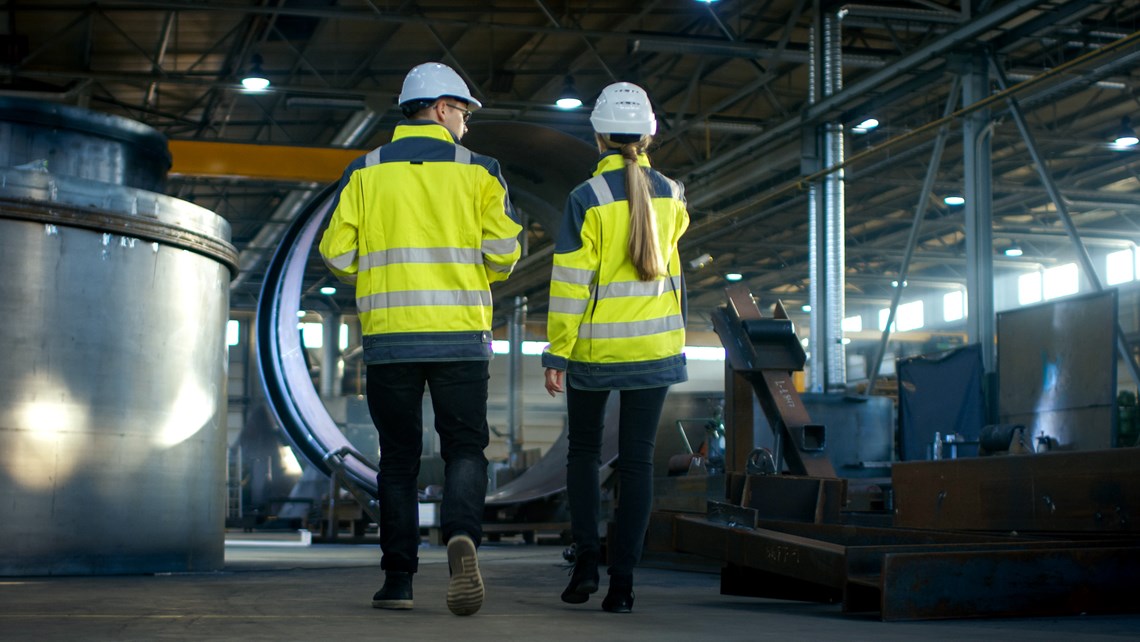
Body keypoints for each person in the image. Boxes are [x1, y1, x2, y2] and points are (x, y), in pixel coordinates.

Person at [319, 61, 522, 616]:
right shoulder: (480, 170)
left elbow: (336, 255)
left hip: (390, 339)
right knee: (465, 448)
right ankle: (462, 537)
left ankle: (398, 582)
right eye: (462, 111)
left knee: (399, 460)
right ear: (439, 109)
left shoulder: (366, 171)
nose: (466, 123)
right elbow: (505, 254)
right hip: (459, 334)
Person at [542, 81, 690, 614]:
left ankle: (585, 563)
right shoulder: (673, 194)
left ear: (598, 136)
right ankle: (623, 585)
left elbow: (570, 285)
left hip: (593, 351)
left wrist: (556, 352)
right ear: (650, 134)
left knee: (582, 456)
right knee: (637, 464)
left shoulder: (586, 198)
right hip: (654, 349)